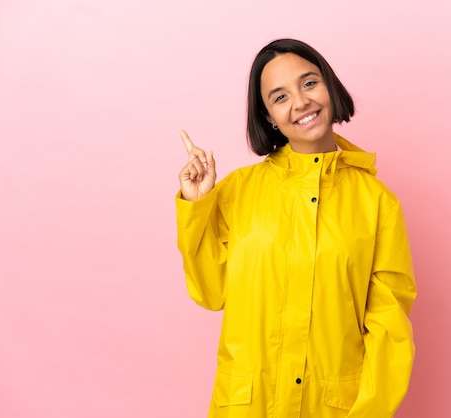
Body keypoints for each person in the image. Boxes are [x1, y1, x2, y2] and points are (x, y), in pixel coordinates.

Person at [176, 39, 416, 418]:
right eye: (280, 96)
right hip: (248, 405)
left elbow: (389, 331)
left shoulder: (377, 203)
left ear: (330, 88)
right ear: (269, 116)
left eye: (308, 83)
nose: (301, 102)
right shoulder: (237, 192)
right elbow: (210, 292)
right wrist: (197, 206)